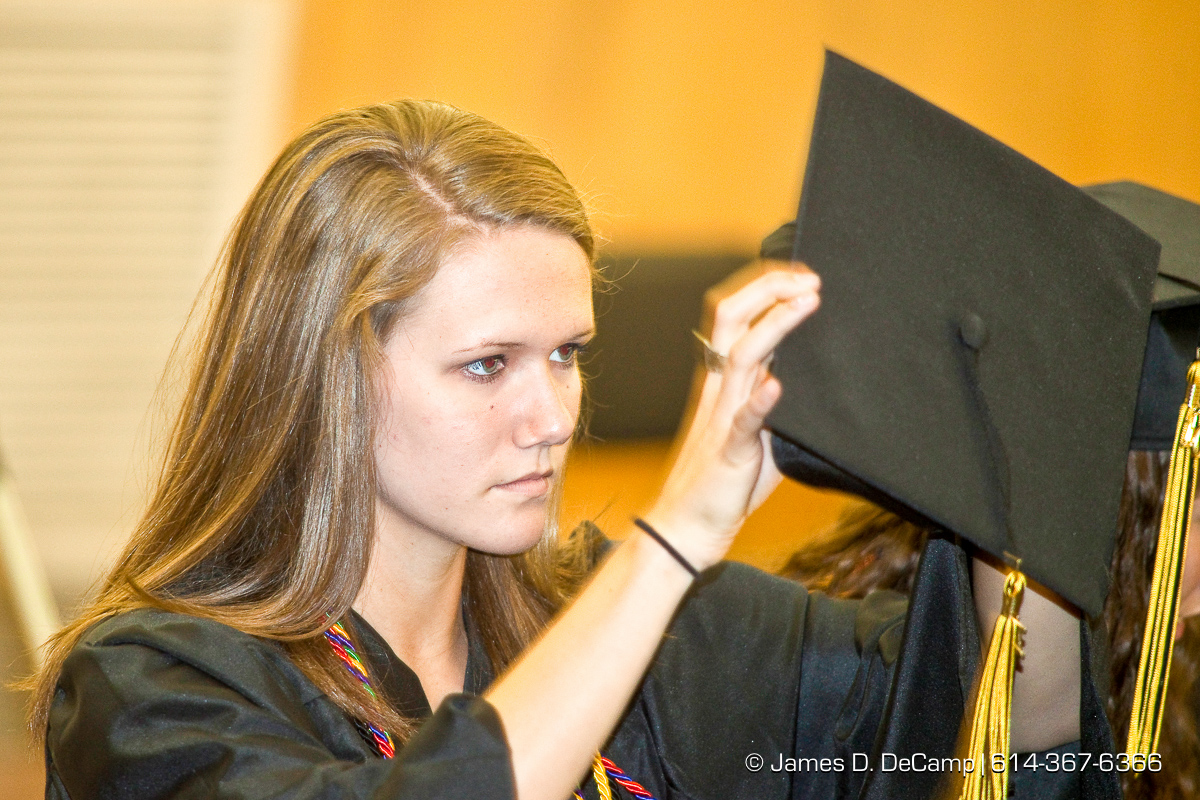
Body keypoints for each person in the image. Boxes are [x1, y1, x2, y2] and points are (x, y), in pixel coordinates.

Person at [31, 98, 1097, 800]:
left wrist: (1008, 437)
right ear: (331, 379)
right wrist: (673, 536)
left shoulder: (645, 627)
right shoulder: (152, 684)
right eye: (489, 363)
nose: (553, 414)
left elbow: (1013, 713)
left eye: (570, 352)